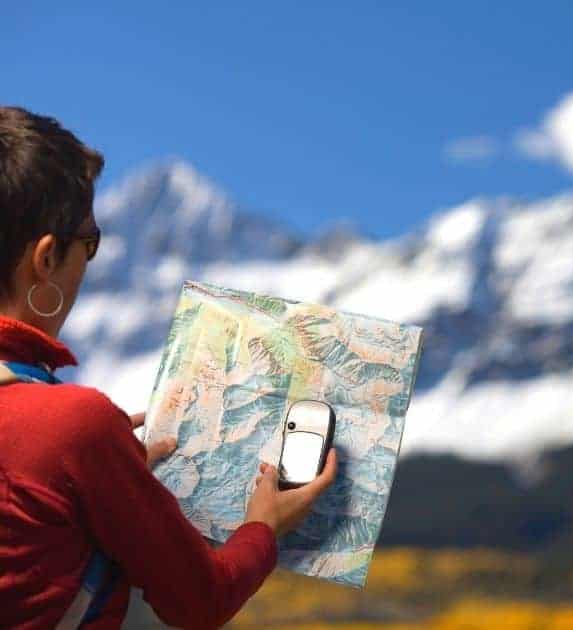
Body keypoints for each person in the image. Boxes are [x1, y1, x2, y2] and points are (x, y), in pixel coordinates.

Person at [0, 105, 338, 629]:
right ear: (46, 258)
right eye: (91, 243)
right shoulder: (71, 425)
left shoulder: (73, 438)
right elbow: (202, 600)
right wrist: (265, 525)